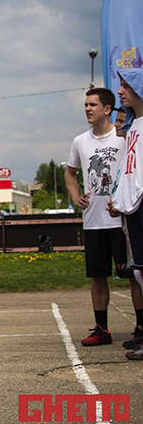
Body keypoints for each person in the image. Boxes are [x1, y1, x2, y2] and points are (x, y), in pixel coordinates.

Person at [67, 88, 142, 348]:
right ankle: (102, 329)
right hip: (93, 220)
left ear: (107, 109)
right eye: (85, 105)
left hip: (120, 220)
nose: (87, 109)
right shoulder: (80, 141)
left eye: (93, 105)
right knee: (98, 276)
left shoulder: (123, 137)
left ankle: (140, 328)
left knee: (133, 275)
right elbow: (70, 172)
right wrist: (76, 196)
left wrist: (123, 202)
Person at [105, 73, 143, 360]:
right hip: (133, 209)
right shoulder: (133, 127)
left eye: (127, 87)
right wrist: (120, 200)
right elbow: (129, 172)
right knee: (140, 272)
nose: (121, 91)